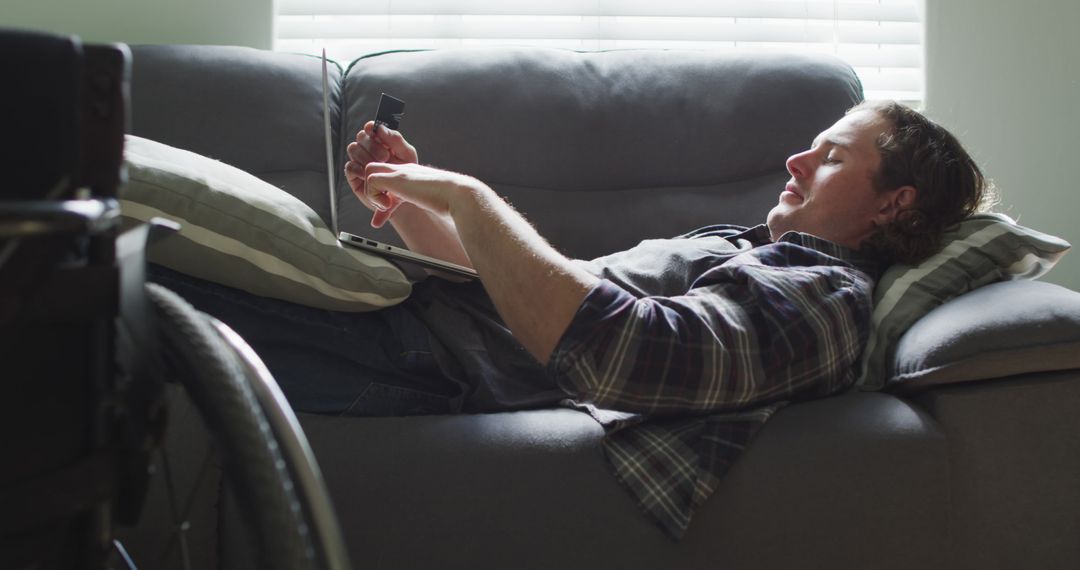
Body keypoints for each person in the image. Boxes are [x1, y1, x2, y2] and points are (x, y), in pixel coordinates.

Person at [149, 99, 991, 538]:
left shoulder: (821, 296)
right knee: (111, 268)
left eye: (832, 155)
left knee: (121, 274)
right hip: (423, 322)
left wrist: (470, 195)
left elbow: (625, 353)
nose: (796, 158)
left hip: (412, 355)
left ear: (894, 205)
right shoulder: (748, 247)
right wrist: (407, 199)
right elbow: (513, 295)